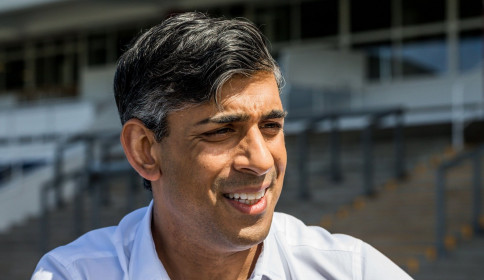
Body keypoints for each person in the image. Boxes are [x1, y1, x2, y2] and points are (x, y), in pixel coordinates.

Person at [32, 12, 412, 280]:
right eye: (221, 132)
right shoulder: (72, 274)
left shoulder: (351, 271)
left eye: (271, 126)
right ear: (145, 150)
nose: (261, 161)